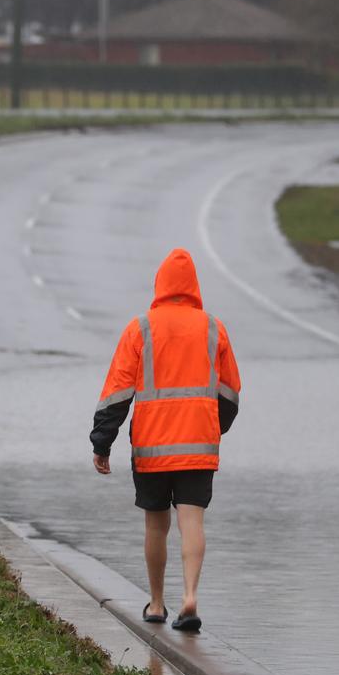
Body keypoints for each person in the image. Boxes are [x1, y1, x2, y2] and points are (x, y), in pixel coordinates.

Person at [90, 248, 241, 632]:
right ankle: (190, 596)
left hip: (152, 448)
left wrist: (102, 442)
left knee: (156, 527)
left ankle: (156, 604)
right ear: (193, 286)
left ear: (160, 284)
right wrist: (212, 427)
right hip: (198, 447)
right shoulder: (213, 328)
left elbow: (117, 392)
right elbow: (230, 393)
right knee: (193, 523)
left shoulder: (140, 328)